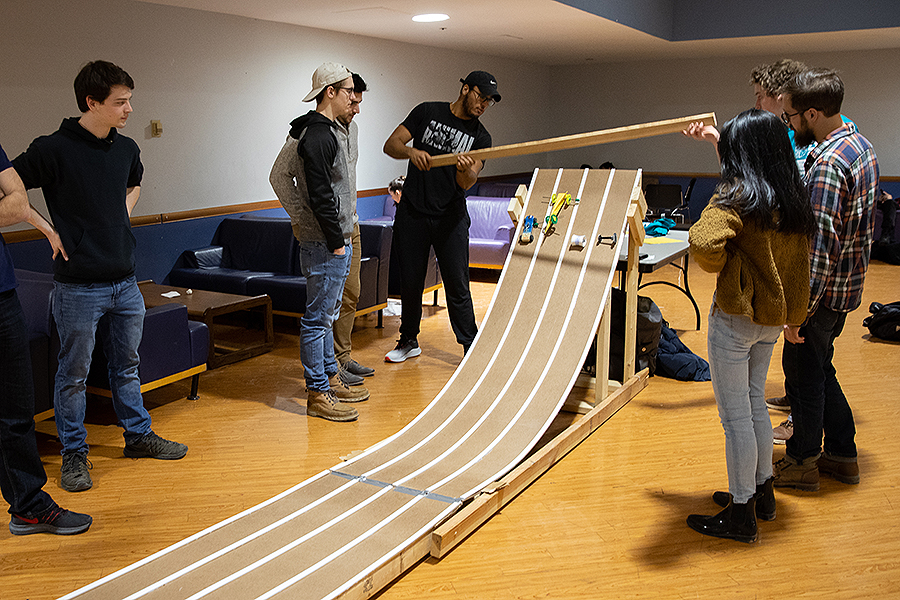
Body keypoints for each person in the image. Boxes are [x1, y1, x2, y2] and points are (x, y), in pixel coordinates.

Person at [12, 61, 188, 494]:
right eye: (120, 102)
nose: (129, 109)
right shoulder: (51, 149)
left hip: (125, 281)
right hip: (77, 287)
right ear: (91, 102)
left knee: (127, 366)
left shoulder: (126, 149)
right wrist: (46, 229)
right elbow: (10, 189)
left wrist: (120, 214)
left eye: (129, 100)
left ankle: (138, 436)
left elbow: (134, 183)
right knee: (73, 374)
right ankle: (74, 453)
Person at [686, 109, 815, 543]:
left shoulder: (737, 195)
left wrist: (730, 267)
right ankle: (763, 494)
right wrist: (795, 317)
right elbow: (798, 268)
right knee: (756, 404)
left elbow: (703, 241)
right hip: (770, 323)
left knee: (735, 417)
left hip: (735, 320)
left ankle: (741, 513)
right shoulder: (791, 197)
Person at [774, 68, 879, 491]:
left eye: (791, 117)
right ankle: (842, 454)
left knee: (802, 377)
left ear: (813, 114)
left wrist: (797, 312)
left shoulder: (828, 166)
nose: (789, 125)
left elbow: (818, 252)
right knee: (819, 369)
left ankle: (801, 462)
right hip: (846, 291)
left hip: (821, 296)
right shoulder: (861, 146)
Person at [269, 62, 369, 421]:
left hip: (337, 235)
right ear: (331, 92)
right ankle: (318, 392)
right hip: (326, 240)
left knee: (326, 317)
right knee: (317, 321)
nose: (354, 102)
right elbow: (318, 193)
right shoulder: (312, 134)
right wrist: (312, 224)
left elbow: (336, 187)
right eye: (350, 93)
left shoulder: (334, 130)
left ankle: (330, 378)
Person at [0, 143, 92, 533]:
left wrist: (12, 204)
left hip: (2, 295)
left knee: (15, 411)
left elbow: (18, 202)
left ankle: (28, 505)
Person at [382, 71, 498, 362]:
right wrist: (411, 152)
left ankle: (470, 346)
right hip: (413, 213)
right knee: (411, 282)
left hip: (450, 217)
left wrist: (463, 170)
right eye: (480, 96)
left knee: (457, 284)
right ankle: (409, 340)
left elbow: (468, 181)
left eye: (489, 101)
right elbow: (391, 144)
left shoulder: (481, 136)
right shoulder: (427, 112)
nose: (483, 105)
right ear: (465, 89)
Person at [331, 73, 376, 387]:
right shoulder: (317, 131)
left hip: (353, 225)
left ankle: (343, 356)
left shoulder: (353, 129)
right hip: (330, 231)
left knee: (351, 294)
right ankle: (330, 366)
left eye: (359, 102)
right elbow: (280, 176)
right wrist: (300, 218)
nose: (357, 109)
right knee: (330, 302)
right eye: (353, 102)